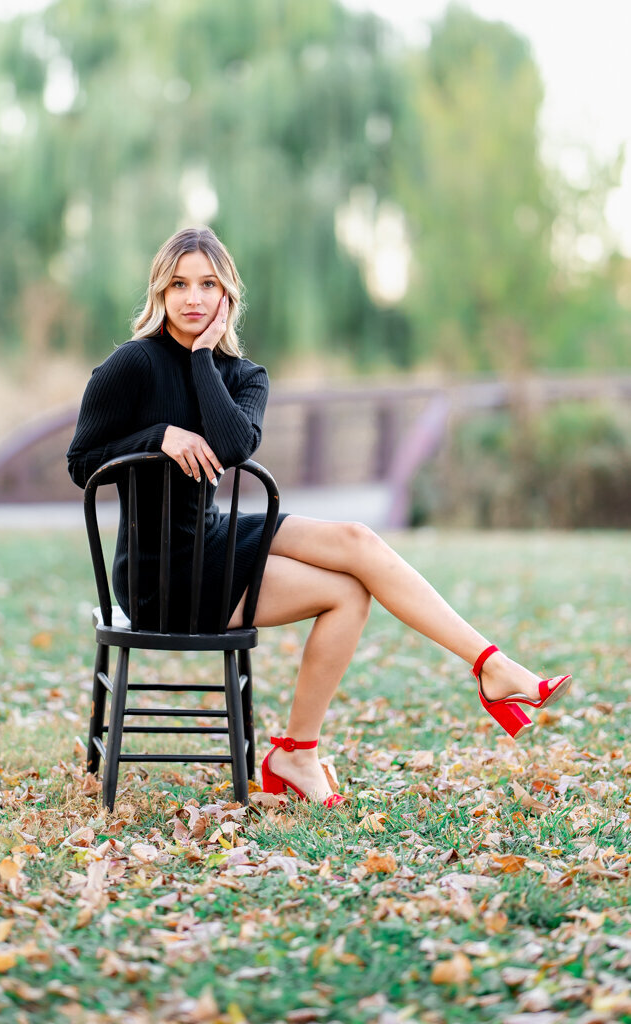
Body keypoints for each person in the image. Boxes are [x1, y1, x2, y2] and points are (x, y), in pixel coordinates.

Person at [67, 226, 572, 808]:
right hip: (160, 577)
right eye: (179, 284)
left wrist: (204, 356)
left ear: (228, 294)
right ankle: (310, 748)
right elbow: (82, 462)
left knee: (356, 553)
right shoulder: (132, 365)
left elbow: (234, 447)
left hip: (211, 540)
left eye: (208, 284)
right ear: (160, 292)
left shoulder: (244, 375)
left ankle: (479, 668)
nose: (193, 298)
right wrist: (158, 437)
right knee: (347, 591)